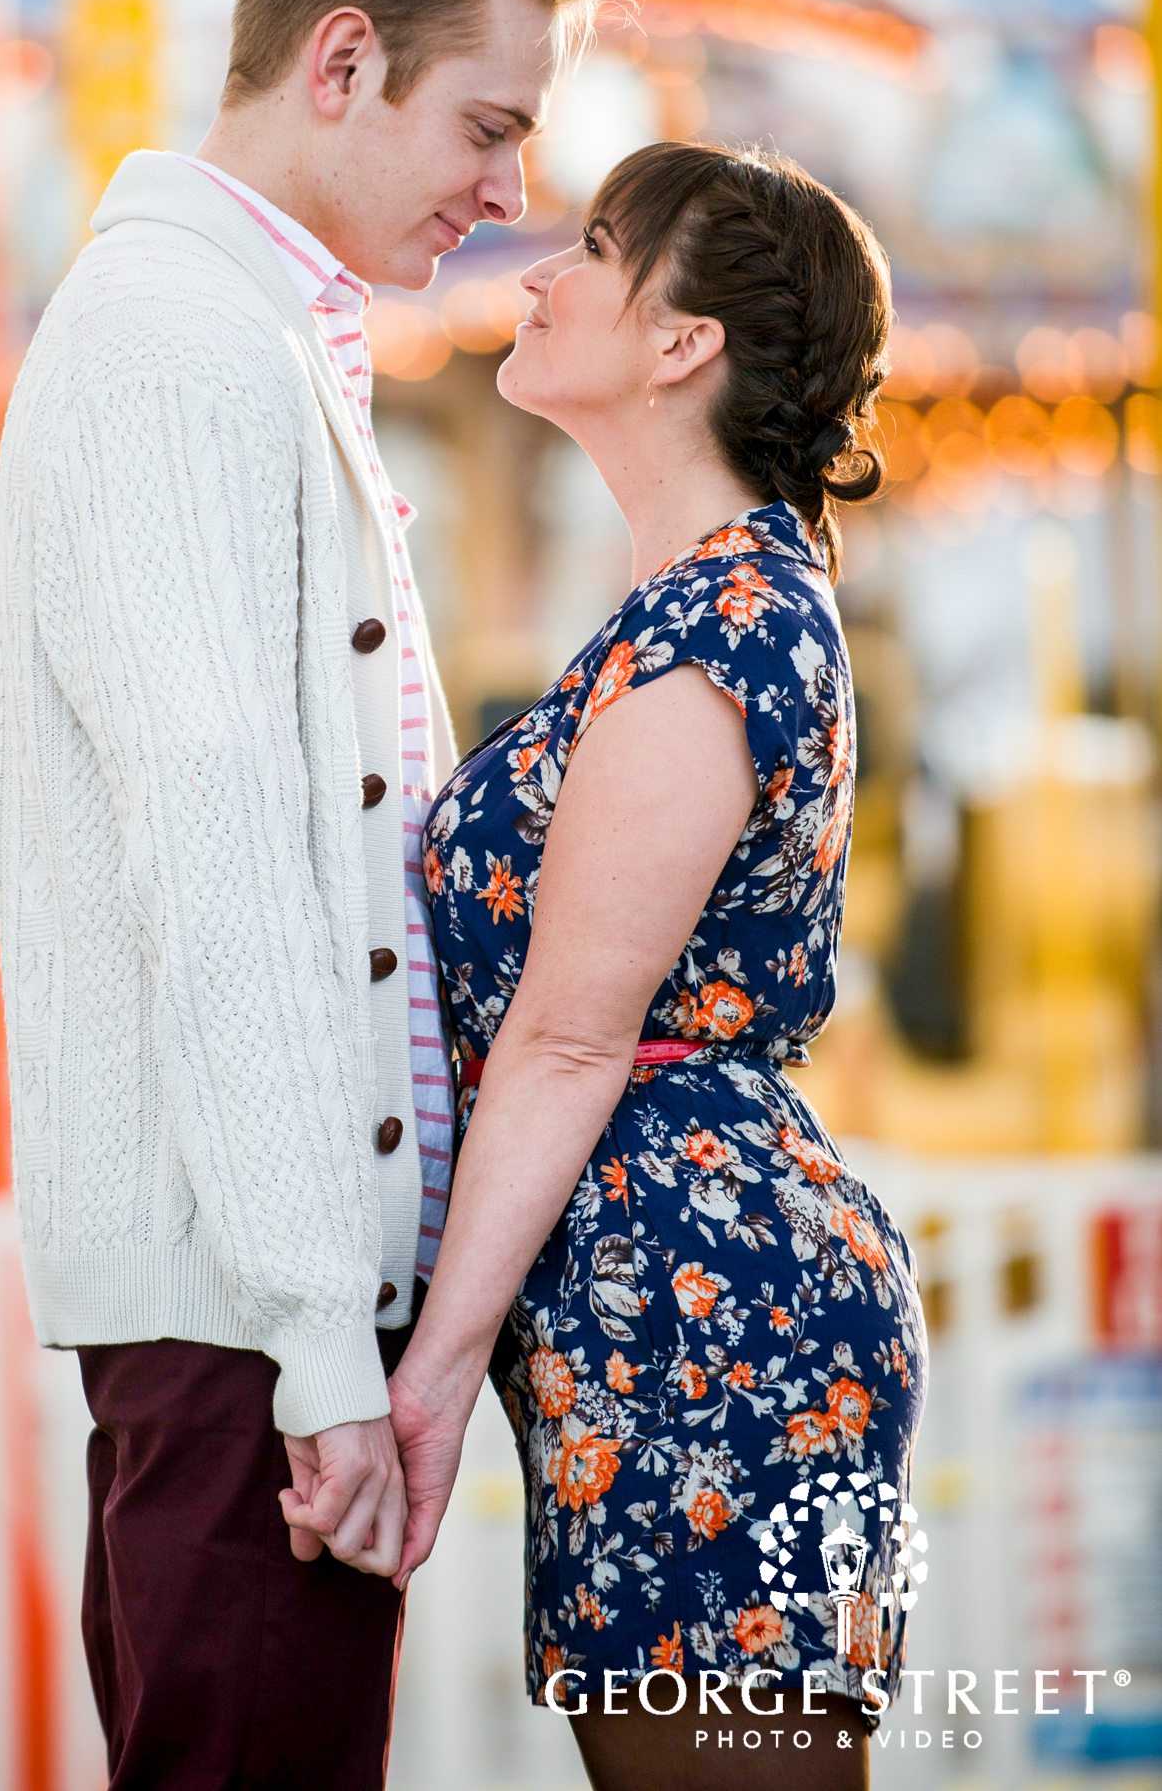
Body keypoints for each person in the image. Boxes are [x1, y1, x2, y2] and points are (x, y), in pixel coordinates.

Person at [0, 0, 611, 1789]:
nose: (511, 189)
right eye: (486, 120)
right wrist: (320, 1340)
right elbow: (223, 855)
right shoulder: (181, 344)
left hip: (252, 1311)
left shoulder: (228, 330)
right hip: (244, 1322)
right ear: (340, 59)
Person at [390, 140, 928, 1791]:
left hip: (712, 1317)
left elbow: (564, 1045)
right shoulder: (692, 608)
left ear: (684, 341)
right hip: (652, 1303)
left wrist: (427, 1379)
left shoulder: (724, 626)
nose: (544, 271)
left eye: (599, 248)